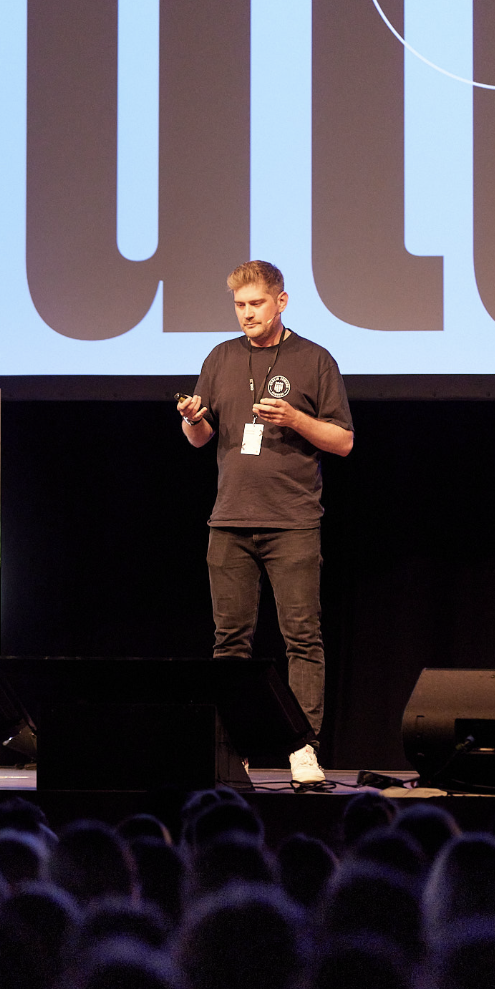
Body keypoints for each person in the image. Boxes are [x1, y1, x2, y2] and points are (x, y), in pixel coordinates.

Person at [177, 261, 354, 787]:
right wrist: (192, 417)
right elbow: (202, 439)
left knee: (302, 637)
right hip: (229, 520)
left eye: (256, 303)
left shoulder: (314, 360)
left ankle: (302, 748)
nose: (247, 313)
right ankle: (234, 749)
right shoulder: (221, 357)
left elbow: (343, 441)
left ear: (281, 302)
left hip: (292, 522)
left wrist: (296, 419)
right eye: (239, 305)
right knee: (230, 642)